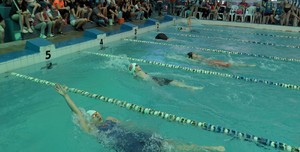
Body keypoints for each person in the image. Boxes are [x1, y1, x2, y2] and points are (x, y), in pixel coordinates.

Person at [54, 84, 224, 151]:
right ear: (90, 119)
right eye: (93, 115)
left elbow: (130, 125)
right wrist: (66, 96)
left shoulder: (111, 118)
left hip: (138, 137)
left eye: (97, 112)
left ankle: (207, 148)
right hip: (127, 146)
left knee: (169, 144)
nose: (97, 114)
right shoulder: (92, 129)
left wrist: (146, 130)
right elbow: (78, 113)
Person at [128, 63, 203, 90]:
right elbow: (146, 78)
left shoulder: (138, 73)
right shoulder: (139, 73)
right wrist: (155, 84)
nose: (139, 66)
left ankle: (188, 87)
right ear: (135, 69)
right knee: (172, 82)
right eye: (137, 65)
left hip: (154, 79)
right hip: (154, 80)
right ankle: (190, 87)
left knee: (172, 82)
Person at [187, 52, 255, 67]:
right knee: (227, 64)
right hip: (209, 62)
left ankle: (246, 65)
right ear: (192, 56)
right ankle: (246, 65)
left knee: (228, 63)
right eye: (194, 54)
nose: (195, 53)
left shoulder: (198, 55)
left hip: (210, 60)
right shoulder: (194, 59)